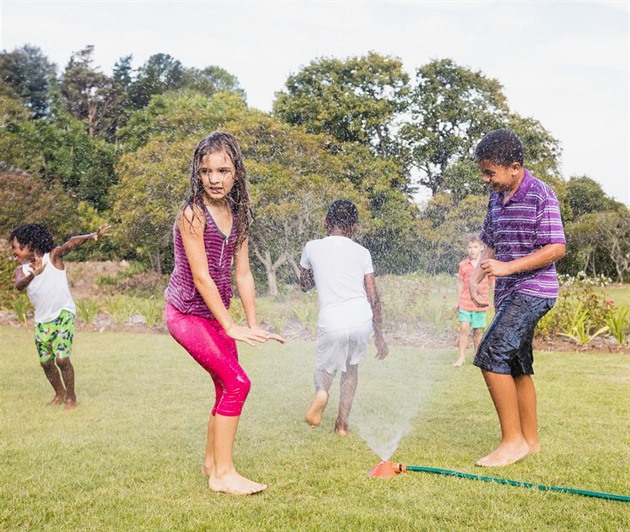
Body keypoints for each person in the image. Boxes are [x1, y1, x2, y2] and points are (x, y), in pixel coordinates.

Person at [164, 131, 284, 496]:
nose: (214, 179)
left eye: (222, 170)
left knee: (225, 385)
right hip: (186, 314)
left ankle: (211, 463)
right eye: (206, 171)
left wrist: (251, 323)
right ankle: (223, 475)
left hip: (216, 316)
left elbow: (243, 273)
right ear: (197, 174)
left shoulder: (239, 215)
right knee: (237, 383)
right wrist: (230, 326)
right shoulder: (192, 215)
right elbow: (201, 276)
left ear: (236, 173)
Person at [469, 129, 566, 467]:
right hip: (510, 292)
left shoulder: (541, 194)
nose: (485, 179)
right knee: (516, 365)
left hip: (534, 291)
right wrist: (477, 274)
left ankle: (512, 443)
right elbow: (491, 242)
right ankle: (530, 441)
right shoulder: (496, 197)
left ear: (513, 167)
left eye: (489, 172)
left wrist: (508, 268)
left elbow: (556, 247)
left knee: (490, 355)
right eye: (483, 172)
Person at [299, 199, 388, 436]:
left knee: (324, 370)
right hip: (361, 319)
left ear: (326, 222)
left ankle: (321, 393)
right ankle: (341, 425)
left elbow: (305, 285)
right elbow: (373, 296)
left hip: (332, 319)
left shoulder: (312, 247)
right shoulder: (362, 252)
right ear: (354, 227)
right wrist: (379, 335)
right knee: (351, 369)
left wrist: (319, 270)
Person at [10, 223, 110, 410]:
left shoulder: (53, 257)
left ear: (30, 245)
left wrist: (91, 236)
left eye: (16, 247)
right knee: (46, 362)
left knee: (62, 360)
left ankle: (71, 397)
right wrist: (33, 275)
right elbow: (19, 286)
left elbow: (70, 243)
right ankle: (59, 393)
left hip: (63, 314)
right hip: (42, 321)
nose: (13, 252)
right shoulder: (21, 271)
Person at [453, 236, 493, 367]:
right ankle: (461, 357)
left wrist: (496, 299)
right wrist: (457, 301)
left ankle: (476, 355)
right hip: (465, 302)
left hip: (480, 303)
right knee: (464, 328)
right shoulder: (463, 265)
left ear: (482, 248)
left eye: (475, 247)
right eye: (470, 247)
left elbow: (493, 282)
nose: (472, 250)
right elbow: (460, 283)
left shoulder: (486, 264)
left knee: (478, 331)